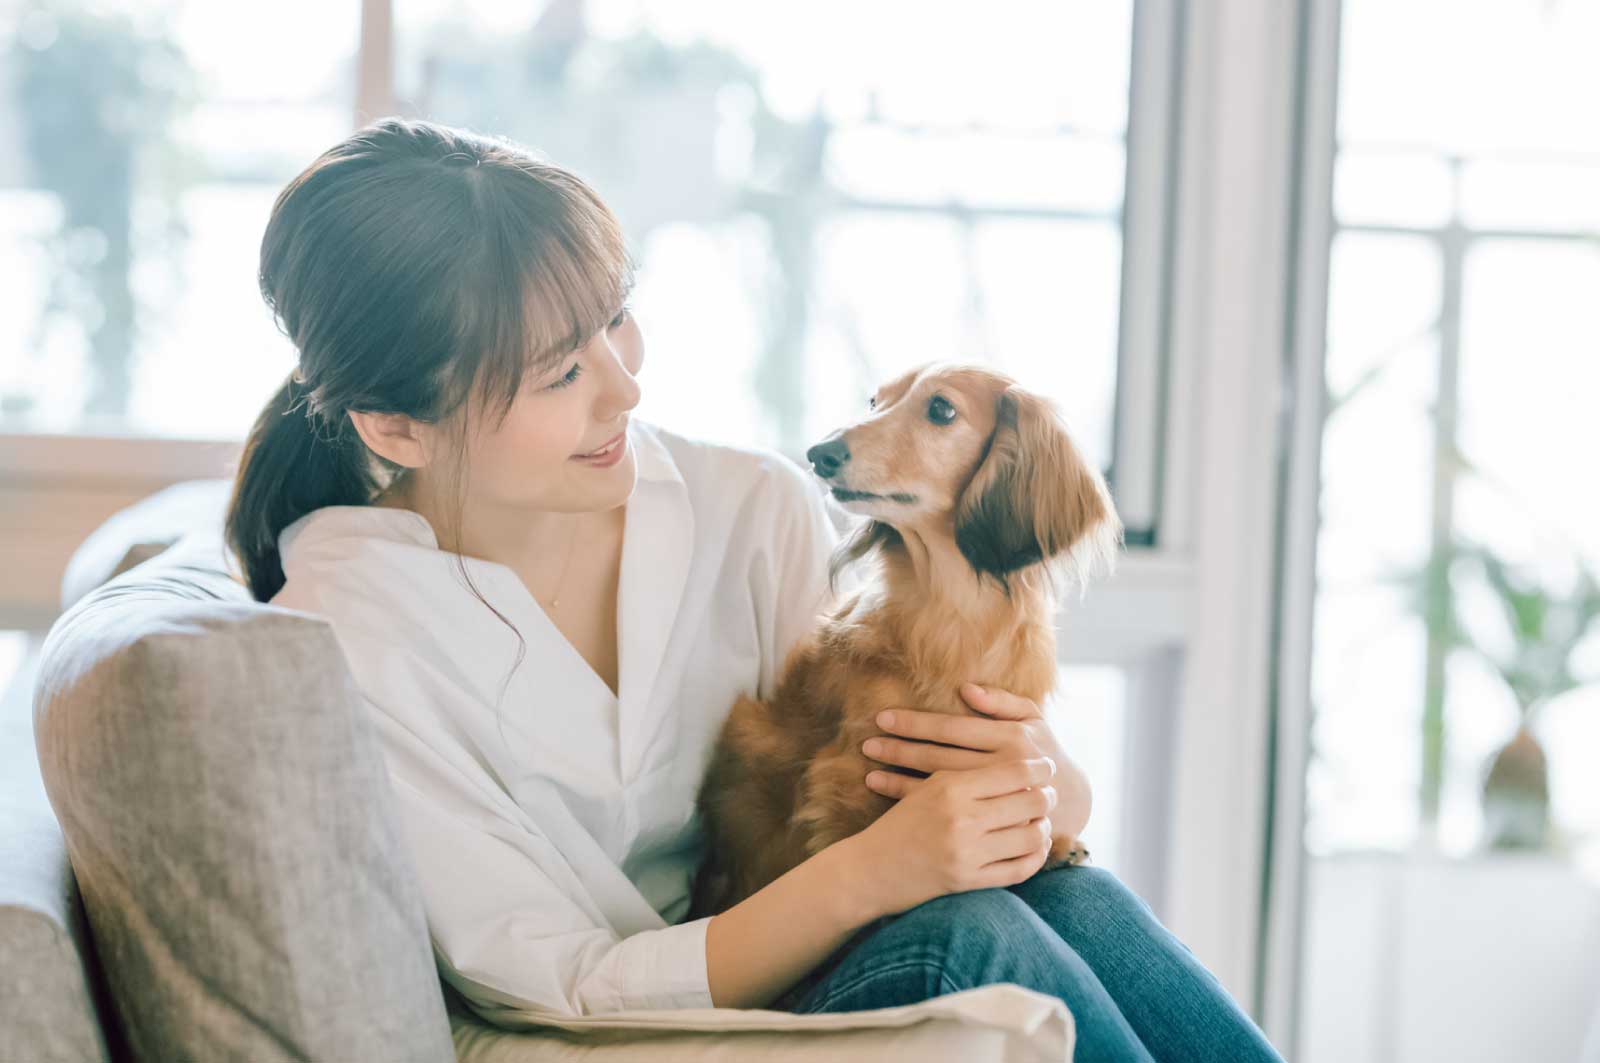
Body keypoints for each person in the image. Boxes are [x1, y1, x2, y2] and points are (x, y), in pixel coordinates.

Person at [224, 116, 1286, 1062]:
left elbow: (922, 761)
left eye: (615, 318)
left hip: (817, 939)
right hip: (628, 1018)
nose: (627, 385)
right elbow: (552, 981)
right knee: (976, 934)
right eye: (560, 372)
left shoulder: (750, 507)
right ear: (395, 426)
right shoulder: (348, 637)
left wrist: (1035, 781)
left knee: (1066, 892)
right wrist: (878, 874)